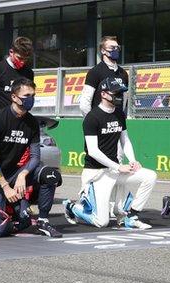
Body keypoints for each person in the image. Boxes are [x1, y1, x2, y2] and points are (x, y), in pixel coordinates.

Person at [0, 78, 62, 238]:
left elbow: (35, 157)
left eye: (33, 95)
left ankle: (43, 221)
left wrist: (23, 174)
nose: (31, 99)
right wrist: (6, 187)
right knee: (0, 229)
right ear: (14, 97)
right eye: (27, 95)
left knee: (50, 175)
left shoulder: (32, 123)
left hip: (14, 173)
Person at [64, 77, 157, 229]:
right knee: (102, 222)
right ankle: (72, 207)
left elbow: (125, 139)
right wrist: (118, 167)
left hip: (115, 169)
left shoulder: (119, 114)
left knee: (150, 176)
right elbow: (93, 151)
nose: (120, 96)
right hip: (97, 173)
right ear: (104, 94)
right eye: (116, 93)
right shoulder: (92, 118)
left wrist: (132, 160)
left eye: (121, 92)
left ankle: (132, 216)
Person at [0, 37, 34, 114]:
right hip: (1, 120)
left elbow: (29, 98)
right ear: (11, 52)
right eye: (19, 58)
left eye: (25, 59)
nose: (22, 62)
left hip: (21, 119)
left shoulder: (29, 73)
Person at [79, 36, 129, 116]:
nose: (115, 50)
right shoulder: (95, 72)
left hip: (118, 123)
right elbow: (85, 102)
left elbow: (125, 98)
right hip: (100, 122)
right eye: (112, 47)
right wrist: (93, 120)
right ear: (103, 51)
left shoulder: (123, 73)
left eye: (117, 47)